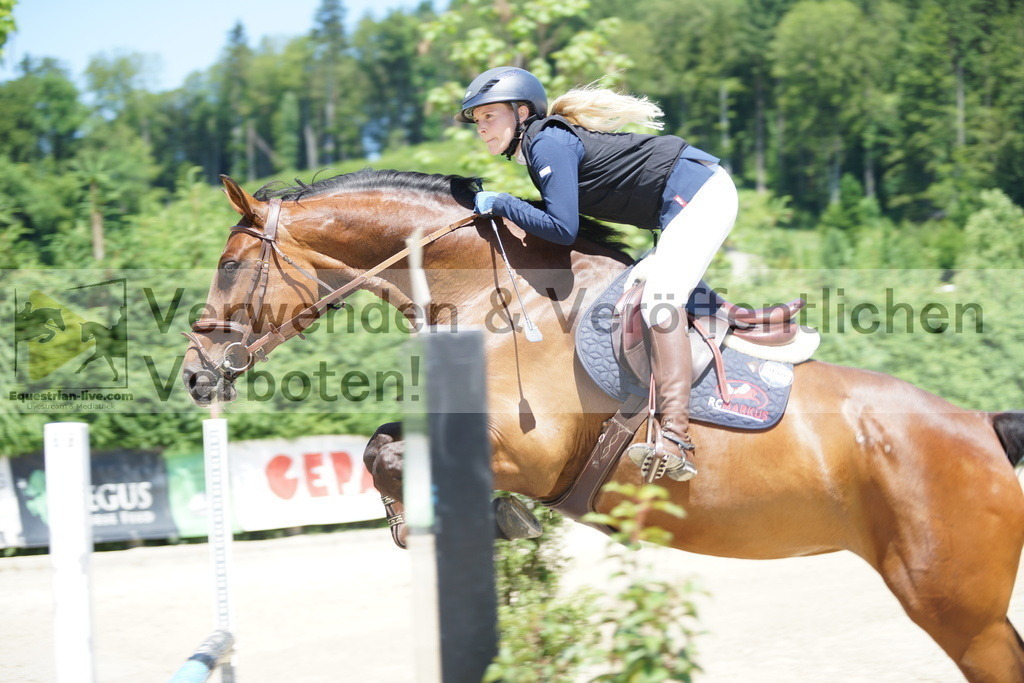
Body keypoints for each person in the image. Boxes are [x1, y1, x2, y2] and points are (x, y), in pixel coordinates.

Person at [455, 66, 739, 480]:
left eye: (489, 116)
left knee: (660, 299)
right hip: (681, 203)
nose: (481, 128)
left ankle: (675, 435)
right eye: (477, 121)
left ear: (521, 112)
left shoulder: (547, 142)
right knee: (638, 290)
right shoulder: (541, 145)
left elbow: (562, 228)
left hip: (699, 194)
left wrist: (501, 203)